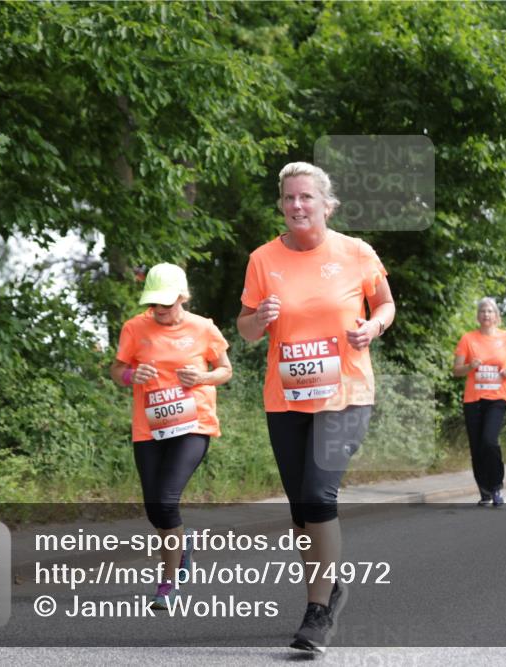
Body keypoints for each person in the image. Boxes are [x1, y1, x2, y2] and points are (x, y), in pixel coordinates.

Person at [237, 162, 395, 653]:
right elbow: (243, 329)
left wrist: (372, 328)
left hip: (345, 393)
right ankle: (328, 588)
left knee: (318, 496)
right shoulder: (263, 259)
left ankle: (317, 611)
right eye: (288, 198)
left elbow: (385, 304)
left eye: (306, 197)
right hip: (286, 396)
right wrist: (258, 319)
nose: (297, 206)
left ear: (327, 204)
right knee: (300, 510)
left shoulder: (355, 252)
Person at [111, 263, 232, 608]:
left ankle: (168, 582)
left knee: (165, 501)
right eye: (154, 303)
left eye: (167, 302)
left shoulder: (204, 328)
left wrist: (203, 378)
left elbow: (225, 370)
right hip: (149, 426)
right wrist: (131, 374)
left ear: (183, 296)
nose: (160, 310)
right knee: (155, 510)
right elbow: (117, 369)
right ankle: (182, 543)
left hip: (193, 424)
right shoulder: (135, 328)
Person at [453, 298, 506, 507]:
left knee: (489, 441)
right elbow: (456, 370)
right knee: (477, 447)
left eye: (490, 311)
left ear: (496, 316)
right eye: (482, 311)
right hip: (473, 399)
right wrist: (469, 366)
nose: (486, 314)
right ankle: (484, 490)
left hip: (497, 398)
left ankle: (496, 487)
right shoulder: (468, 339)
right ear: (478, 316)